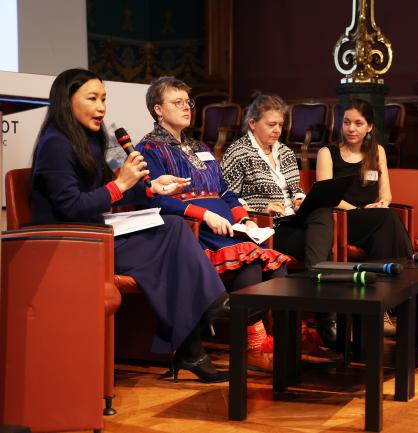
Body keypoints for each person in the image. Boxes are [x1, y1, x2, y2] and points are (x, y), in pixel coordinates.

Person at [31, 68, 230, 383]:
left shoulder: (93, 138)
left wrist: (153, 188)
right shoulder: (55, 144)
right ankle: (204, 319)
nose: (102, 108)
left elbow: (117, 185)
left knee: (174, 226)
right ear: (66, 102)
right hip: (70, 242)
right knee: (170, 240)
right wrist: (118, 186)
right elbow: (70, 206)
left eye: (104, 99)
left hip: (96, 230)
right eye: (92, 99)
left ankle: (202, 326)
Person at [136, 78, 331, 370]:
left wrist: (243, 217)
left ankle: (272, 339)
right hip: (190, 230)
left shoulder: (198, 146)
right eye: (177, 103)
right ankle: (253, 345)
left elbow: (226, 191)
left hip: (228, 226)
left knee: (276, 263)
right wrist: (204, 215)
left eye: (188, 102)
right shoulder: (149, 149)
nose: (187, 108)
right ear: (158, 110)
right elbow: (156, 200)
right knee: (251, 261)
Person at [220, 94, 337, 346]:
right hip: (268, 227)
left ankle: (320, 301)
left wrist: (298, 200)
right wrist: (264, 207)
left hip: (293, 218)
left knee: (321, 212)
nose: (277, 130)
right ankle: (325, 315)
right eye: (271, 124)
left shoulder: (284, 151)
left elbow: (295, 188)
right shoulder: (238, 152)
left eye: (280, 125)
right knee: (319, 246)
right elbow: (228, 198)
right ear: (252, 123)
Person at [315, 98, 413, 334]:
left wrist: (381, 203)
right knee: (387, 220)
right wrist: (361, 211)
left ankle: (377, 309)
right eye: (347, 122)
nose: (351, 128)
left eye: (358, 123)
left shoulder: (377, 151)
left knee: (385, 225)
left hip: (373, 220)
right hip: (341, 218)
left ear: (369, 127)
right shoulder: (328, 153)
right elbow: (326, 197)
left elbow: (386, 193)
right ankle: (408, 298)